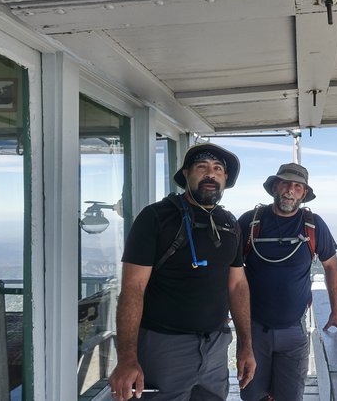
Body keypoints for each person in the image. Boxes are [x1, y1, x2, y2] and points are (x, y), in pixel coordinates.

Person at [109, 143, 256, 400]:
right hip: (163, 348)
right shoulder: (156, 218)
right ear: (186, 174)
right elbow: (133, 288)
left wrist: (246, 345)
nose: (211, 174)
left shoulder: (230, 223)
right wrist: (127, 358)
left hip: (216, 347)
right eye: (202, 167)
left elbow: (237, 285)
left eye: (218, 169)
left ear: (225, 179)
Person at [238, 163, 337, 401]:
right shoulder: (250, 222)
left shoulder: (313, 225)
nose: (290, 190)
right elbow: (231, 272)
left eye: (297, 186)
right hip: (253, 329)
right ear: (274, 187)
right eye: (285, 183)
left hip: (294, 330)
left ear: (304, 194)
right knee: (252, 394)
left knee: (289, 396)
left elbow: (331, 265)